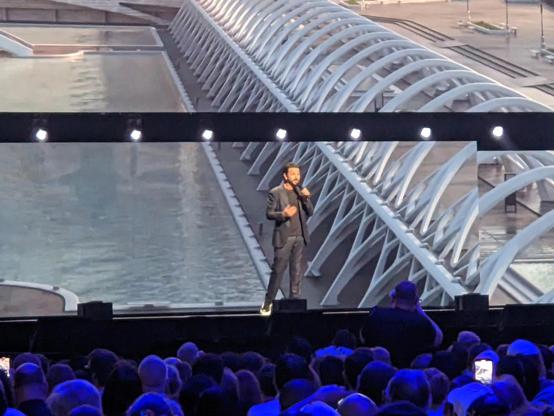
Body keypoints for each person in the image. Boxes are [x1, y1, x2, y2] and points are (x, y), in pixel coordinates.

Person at [260, 162, 314, 316]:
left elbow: (310, 212)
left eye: (298, 174)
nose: (296, 177)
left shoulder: (301, 192)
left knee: (296, 271)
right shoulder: (276, 192)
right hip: (284, 237)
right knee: (278, 271)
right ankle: (268, 303)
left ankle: (294, 301)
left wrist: (306, 199)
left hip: (300, 237)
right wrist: (284, 214)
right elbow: (269, 213)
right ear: (285, 176)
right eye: (293, 174)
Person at [360, 280, 443, 368]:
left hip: (378, 369)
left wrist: (392, 304)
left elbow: (362, 338)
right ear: (415, 301)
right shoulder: (421, 322)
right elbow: (438, 339)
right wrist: (419, 308)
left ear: (393, 297)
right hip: (409, 371)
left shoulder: (376, 314)